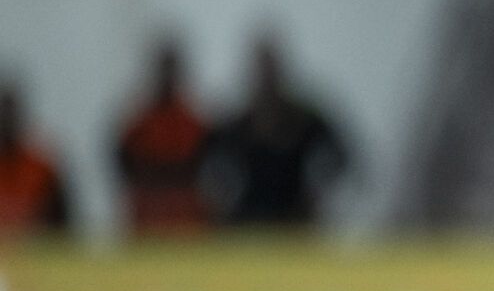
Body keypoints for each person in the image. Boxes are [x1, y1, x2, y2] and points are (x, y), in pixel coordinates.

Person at [208, 37, 350, 227]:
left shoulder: (303, 120)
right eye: (261, 69)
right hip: (247, 221)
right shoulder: (238, 124)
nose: (266, 77)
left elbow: (341, 156)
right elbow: (211, 164)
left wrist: (317, 189)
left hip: (295, 221)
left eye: (270, 69)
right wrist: (223, 196)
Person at [114, 40, 213, 235]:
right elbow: (124, 166)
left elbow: (204, 168)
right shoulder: (138, 124)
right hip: (147, 213)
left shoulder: (193, 123)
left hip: (187, 215)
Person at [0, 83, 71, 236]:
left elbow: (63, 225)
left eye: (10, 115)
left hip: (34, 246)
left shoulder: (43, 169)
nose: (6, 123)